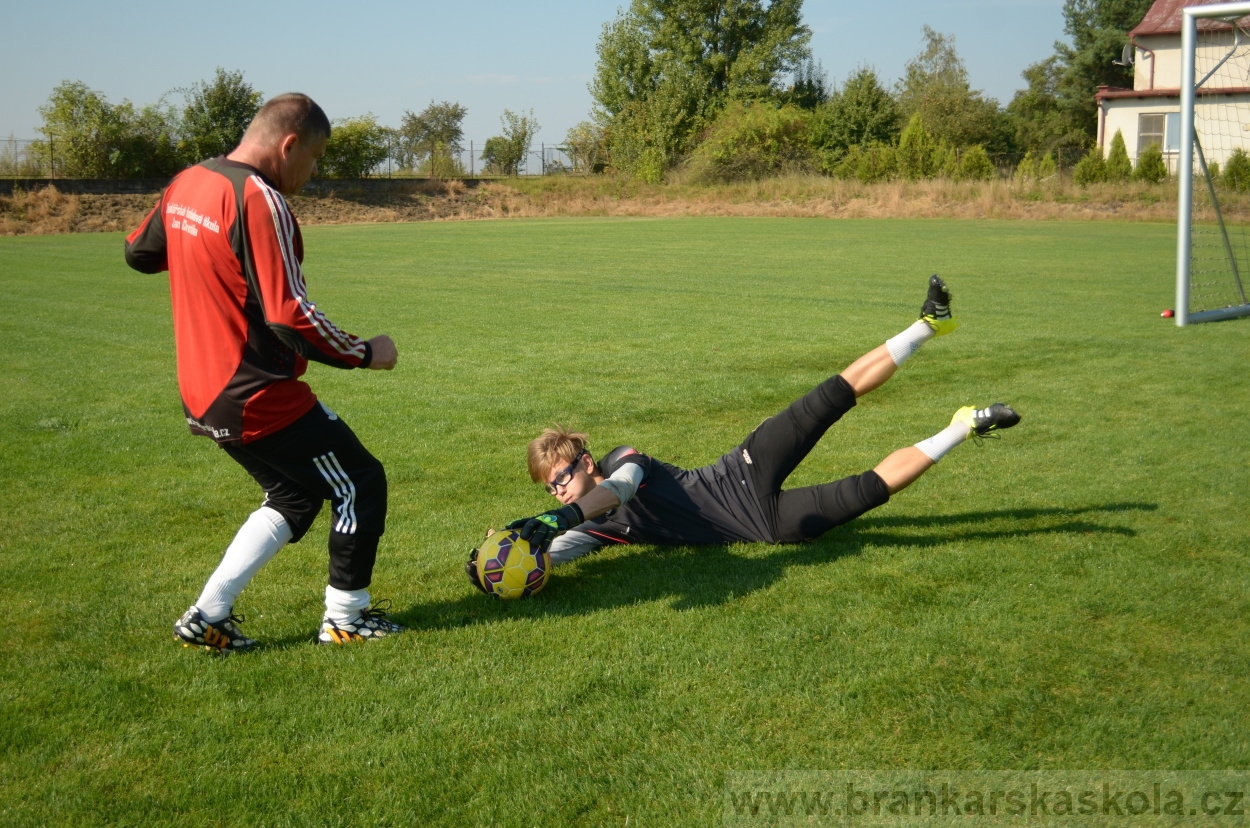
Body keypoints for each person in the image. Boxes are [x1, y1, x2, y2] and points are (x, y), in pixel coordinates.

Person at [468, 276, 1020, 582]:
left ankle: (927, 326)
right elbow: (552, 551)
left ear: (584, 462)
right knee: (870, 491)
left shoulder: (618, 460)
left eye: (559, 478)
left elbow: (624, 489)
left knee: (831, 397)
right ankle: (963, 427)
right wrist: (499, 559)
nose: (556, 490)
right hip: (765, 525)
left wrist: (561, 515)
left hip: (744, 467)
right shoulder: (600, 531)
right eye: (549, 489)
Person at [125, 93, 404, 650]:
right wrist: (368, 352)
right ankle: (346, 618)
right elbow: (289, 317)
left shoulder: (189, 181)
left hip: (203, 390)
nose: (315, 170)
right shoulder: (259, 198)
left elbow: (139, 252)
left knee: (294, 496)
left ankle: (207, 615)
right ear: (289, 144)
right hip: (256, 390)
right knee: (361, 483)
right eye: (317, 156)